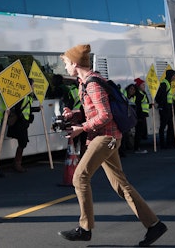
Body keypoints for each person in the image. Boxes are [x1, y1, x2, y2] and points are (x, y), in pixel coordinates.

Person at [58, 44, 167, 246]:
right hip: (107, 137)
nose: (65, 67)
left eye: (65, 63)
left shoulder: (92, 84)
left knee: (79, 177)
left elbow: (105, 116)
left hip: (106, 139)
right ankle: (154, 225)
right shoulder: (85, 83)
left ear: (74, 63)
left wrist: (81, 128)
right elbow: (94, 111)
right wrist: (73, 116)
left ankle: (85, 228)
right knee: (120, 185)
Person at [7, 91, 33, 173]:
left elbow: (27, 108)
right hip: (20, 123)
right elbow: (18, 109)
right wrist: (24, 118)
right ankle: (17, 164)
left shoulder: (28, 97)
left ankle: (17, 163)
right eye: (32, 85)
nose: (33, 87)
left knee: (23, 142)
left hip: (22, 123)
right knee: (22, 142)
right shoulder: (24, 96)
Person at [128, 80, 149, 154]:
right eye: (143, 85)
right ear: (139, 86)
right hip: (140, 116)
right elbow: (137, 106)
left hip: (143, 115)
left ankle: (137, 147)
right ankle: (137, 148)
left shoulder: (142, 93)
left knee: (140, 132)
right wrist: (139, 116)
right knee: (138, 132)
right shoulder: (138, 95)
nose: (144, 86)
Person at [155, 70, 173, 149]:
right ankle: (163, 143)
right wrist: (162, 105)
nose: (174, 77)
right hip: (165, 107)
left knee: (170, 125)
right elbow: (160, 96)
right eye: (173, 75)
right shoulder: (164, 83)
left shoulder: (168, 83)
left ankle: (169, 142)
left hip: (168, 107)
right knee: (163, 126)